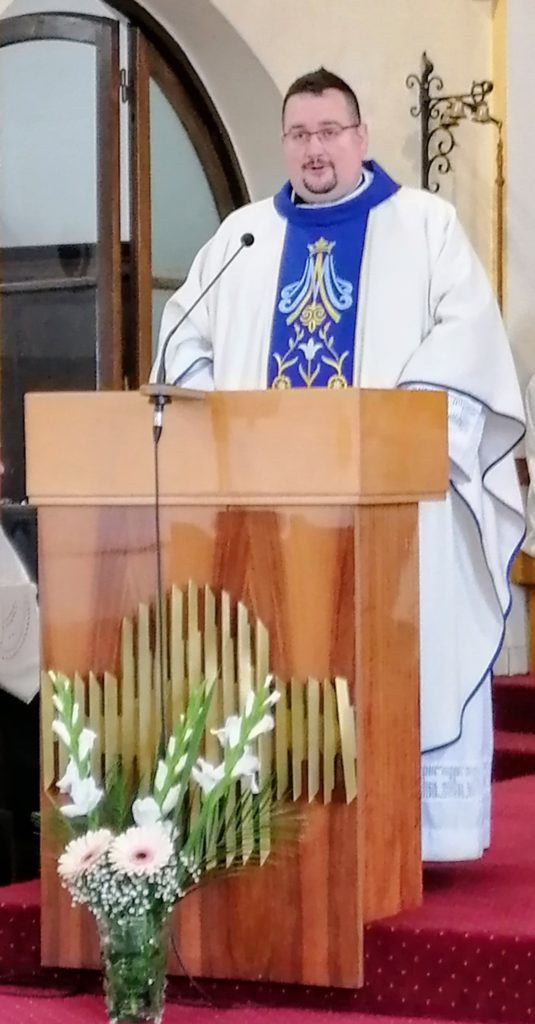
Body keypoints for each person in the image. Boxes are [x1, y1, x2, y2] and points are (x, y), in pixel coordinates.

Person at [151, 67, 525, 862]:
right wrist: (224, 418)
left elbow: (467, 342)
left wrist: (394, 429)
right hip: (265, 512)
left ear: (360, 137)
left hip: (391, 508)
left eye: (328, 132)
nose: (313, 149)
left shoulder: (423, 225)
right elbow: (182, 336)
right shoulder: (245, 237)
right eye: (298, 134)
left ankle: (402, 834)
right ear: (283, 143)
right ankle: (277, 832)